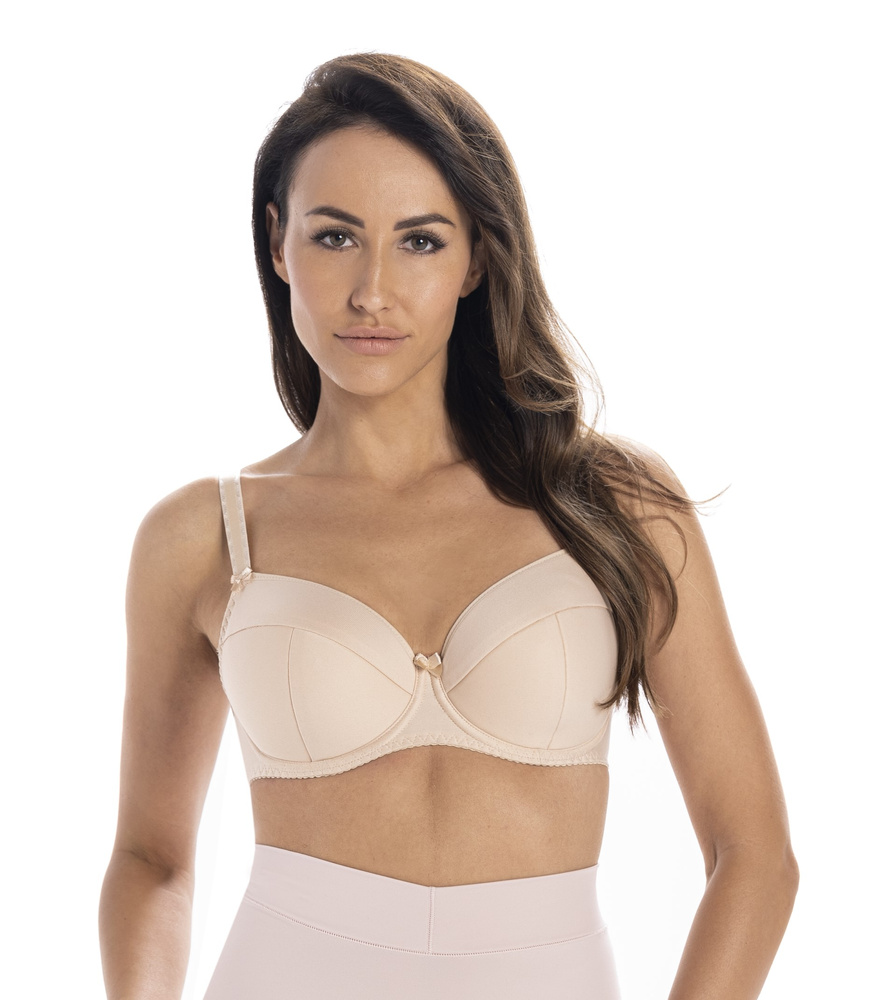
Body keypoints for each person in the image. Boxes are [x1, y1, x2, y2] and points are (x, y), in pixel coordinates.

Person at [98, 53, 798, 999]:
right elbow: (151, 860)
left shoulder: (615, 504)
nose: (372, 291)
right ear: (277, 243)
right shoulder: (205, 536)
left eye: (419, 241)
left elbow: (752, 855)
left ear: (476, 257)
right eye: (335, 236)